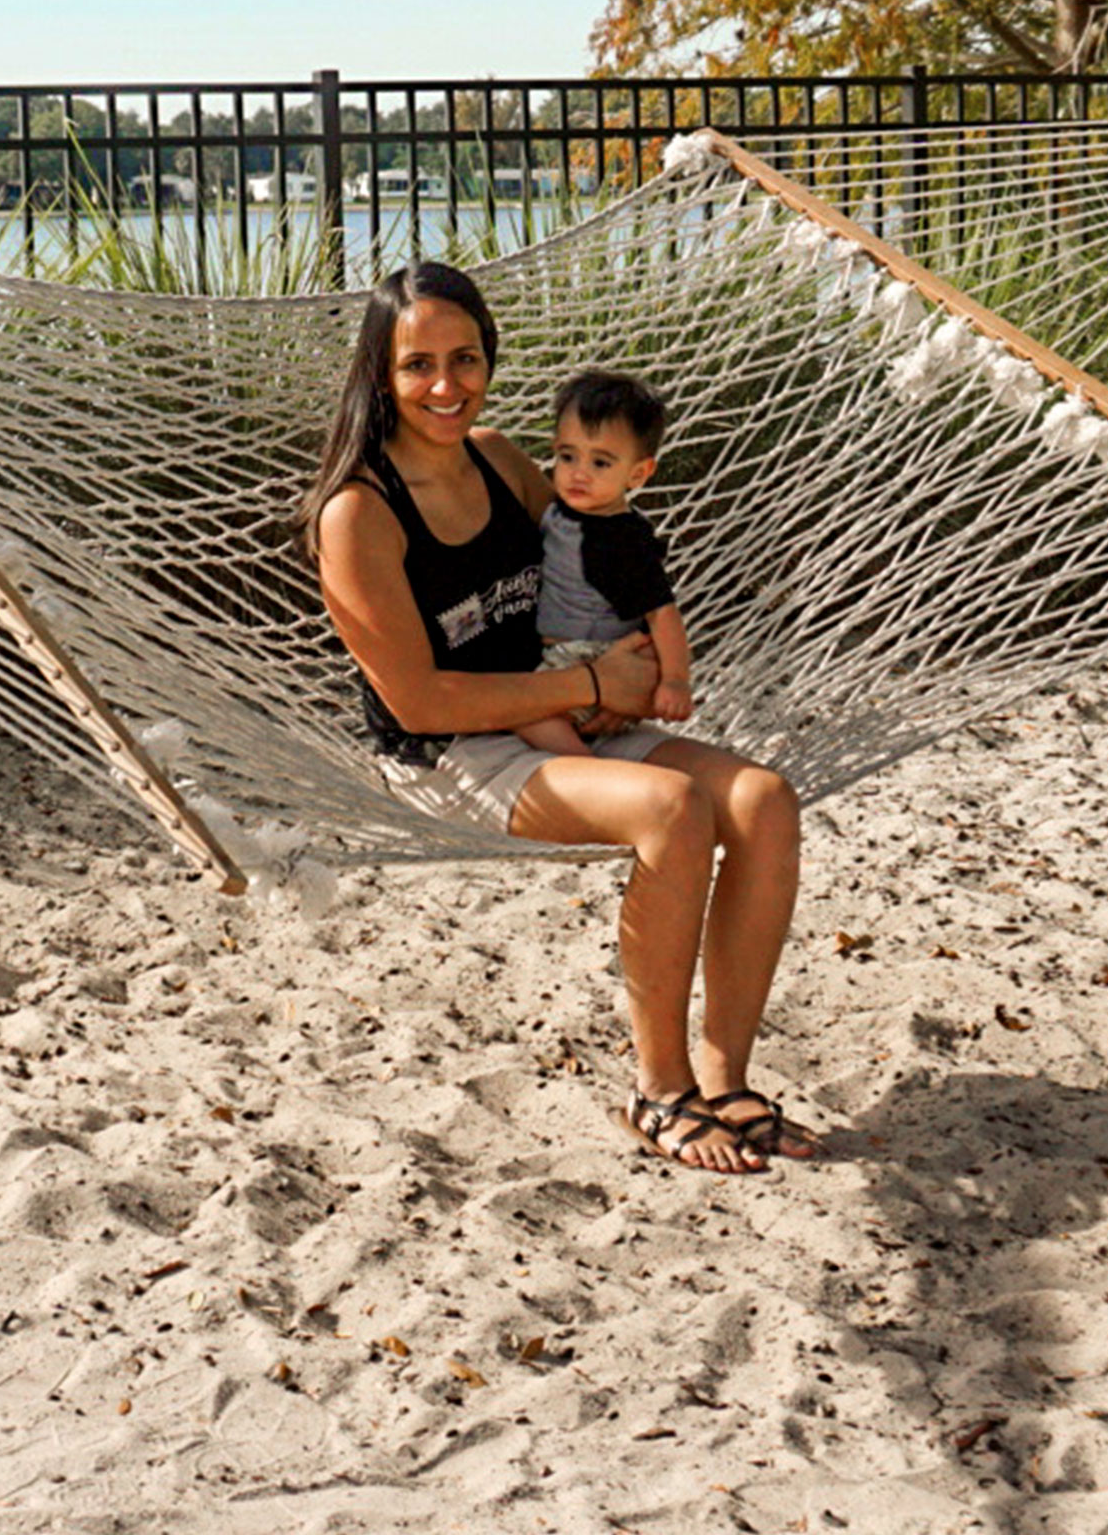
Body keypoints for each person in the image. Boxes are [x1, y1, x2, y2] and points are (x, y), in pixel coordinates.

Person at [298, 262, 815, 1174]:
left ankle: (725, 1079)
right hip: (450, 751)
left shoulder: (500, 461)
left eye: (466, 359)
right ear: (381, 373)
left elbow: (589, 573)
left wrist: (637, 661)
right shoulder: (357, 513)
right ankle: (659, 1093)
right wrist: (588, 691)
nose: (447, 386)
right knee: (669, 810)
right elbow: (418, 699)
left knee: (765, 800)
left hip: (569, 712)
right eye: (418, 365)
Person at [511, 369, 690, 757]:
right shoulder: (564, 512)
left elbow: (663, 613)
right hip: (565, 657)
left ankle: (584, 765)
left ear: (638, 473)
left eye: (601, 463)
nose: (578, 473)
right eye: (567, 455)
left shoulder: (619, 540)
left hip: (594, 656)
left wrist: (674, 681)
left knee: (526, 715)